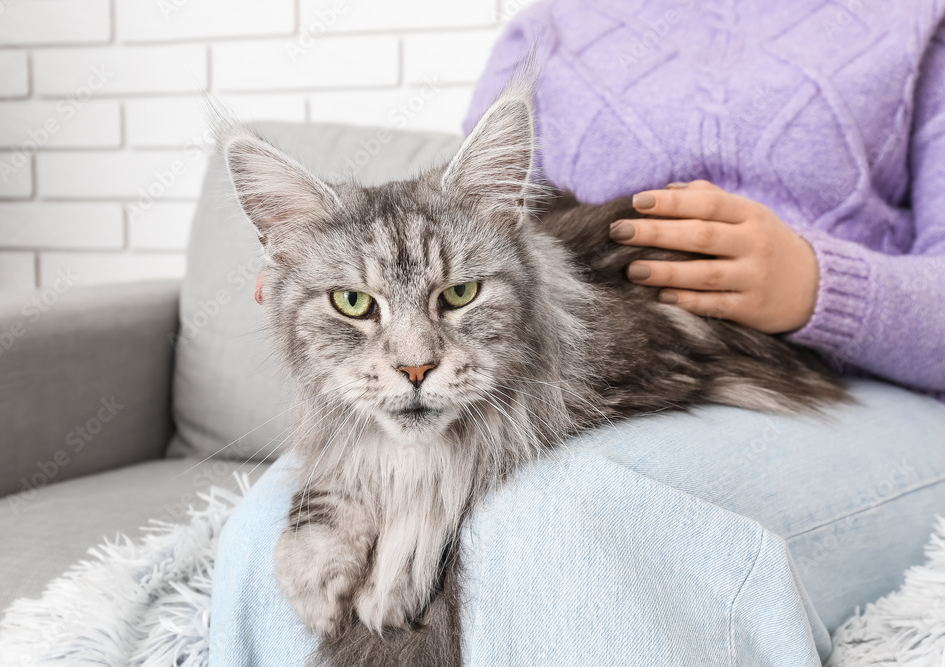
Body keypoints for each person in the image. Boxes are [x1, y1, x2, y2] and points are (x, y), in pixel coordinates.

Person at [210, 3, 945, 664]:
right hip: (562, 352)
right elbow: (467, 223)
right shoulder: (547, 30)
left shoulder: (919, 22)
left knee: (567, 523)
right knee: (260, 543)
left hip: (845, 380)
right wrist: (327, 274)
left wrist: (823, 286)